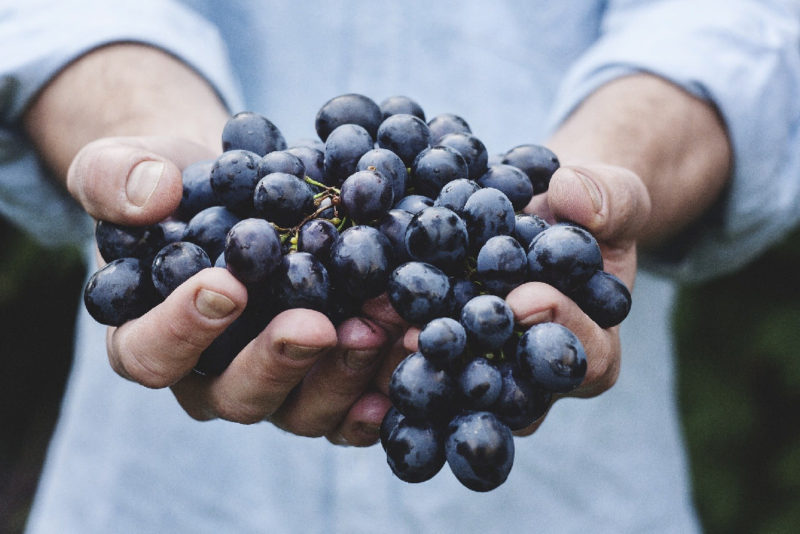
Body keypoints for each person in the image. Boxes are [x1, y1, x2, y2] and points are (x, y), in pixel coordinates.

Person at [2, 1, 799, 532]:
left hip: (571, 498)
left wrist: (611, 171)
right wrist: (142, 133)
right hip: (166, 497)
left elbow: (734, 22)